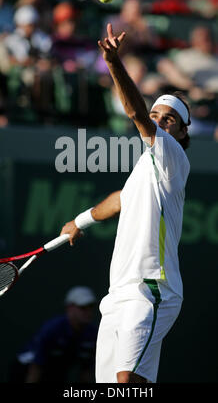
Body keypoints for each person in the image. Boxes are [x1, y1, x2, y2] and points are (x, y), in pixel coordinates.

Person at [60, 23, 191, 383]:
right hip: (116, 295)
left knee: (126, 385)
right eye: (157, 116)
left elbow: (135, 113)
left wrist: (113, 62)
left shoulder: (173, 157)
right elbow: (120, 200)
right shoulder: (142, 173)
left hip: (151, 289)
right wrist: (80, 221)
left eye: (170, 120)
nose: (160, 122)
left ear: (180, 133)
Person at [9, 286, 98, 383]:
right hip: (26, 370)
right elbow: (36, 368)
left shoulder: (92, 334)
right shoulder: (53, 328)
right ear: (70, 308)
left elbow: (86, 371)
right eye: (83, 308)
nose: (88, 312)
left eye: (90, 307)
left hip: (55, 372)